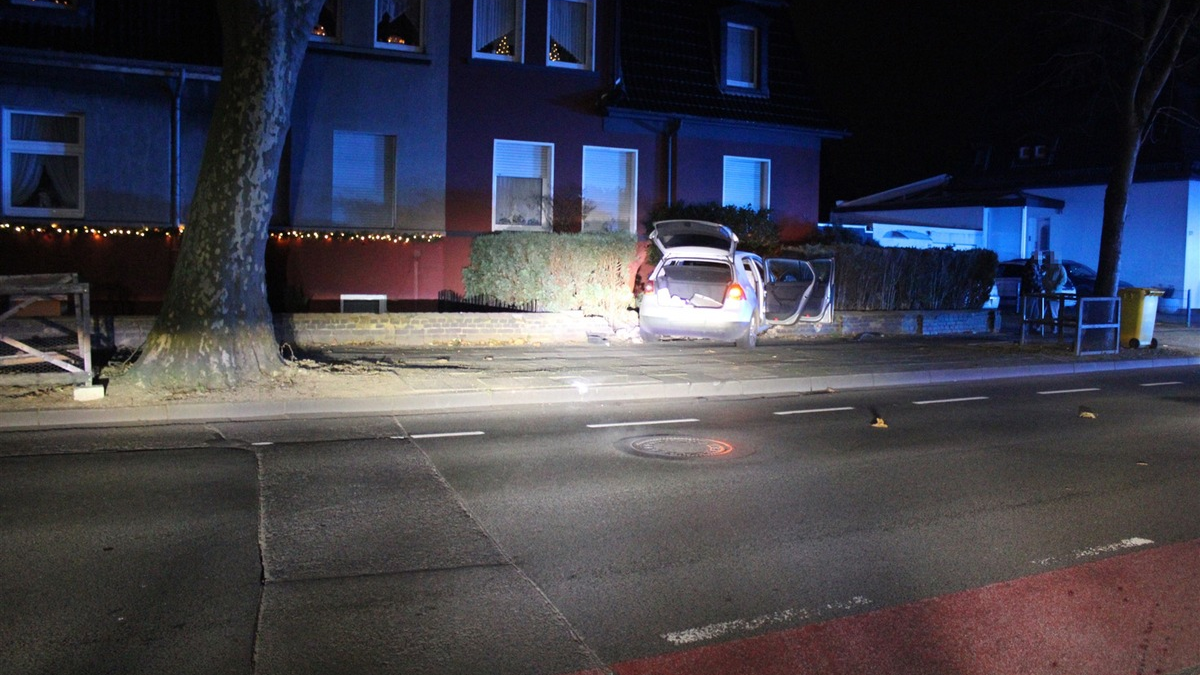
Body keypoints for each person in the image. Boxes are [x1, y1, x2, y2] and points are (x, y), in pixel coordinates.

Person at [1042, 251, 1068, 326]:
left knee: (1053, 312)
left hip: (1055, 293)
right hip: (1047, 292)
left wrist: (1056, 288)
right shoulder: (1047, 268)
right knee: (1043, 311)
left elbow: (1063, 279)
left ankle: (1054, 327)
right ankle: (1040, 326)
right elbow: (1044, 278)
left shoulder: (1060, 268)